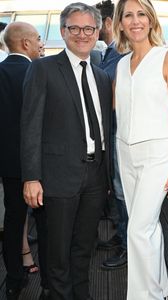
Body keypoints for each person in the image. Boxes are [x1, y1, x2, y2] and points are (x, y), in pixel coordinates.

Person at [20, 2, 112, 300]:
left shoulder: (101, 77)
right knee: (57, 255)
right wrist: (31, 177)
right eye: (75, 28)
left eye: (89, 28)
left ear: (98, 31)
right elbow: (30, 126)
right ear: (63, 31)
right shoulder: (42, 69)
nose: (82, 34)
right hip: (57, 179)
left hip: (96, 178)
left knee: (84, 250)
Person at [113, 0, 168, 298]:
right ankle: (160, 290)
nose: (135, 21)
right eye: (128, 15)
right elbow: (116, 112)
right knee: (147, 227)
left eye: (141, 14)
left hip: (158, 153)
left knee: (137, 231)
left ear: (152, 20)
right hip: (124, 152)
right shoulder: (120, 64)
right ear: (119, 23)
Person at [0, 21, 49, 300]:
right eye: (38, 39)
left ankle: (13, 279)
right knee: (45, 223)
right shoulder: (39, 72)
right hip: (40, 163)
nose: (41, 44)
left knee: (14, 220)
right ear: (27, 43)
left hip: (9, 165)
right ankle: (49, 282)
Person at [95, 0, 128, 271]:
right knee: (118, 192)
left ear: (107, 24)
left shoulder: (122, 56)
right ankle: (122, 234)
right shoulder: (110, 54)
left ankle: (128, 245)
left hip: (122, 137)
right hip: (112, 134)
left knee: (122, 192)